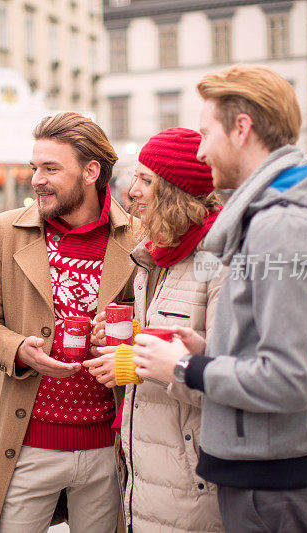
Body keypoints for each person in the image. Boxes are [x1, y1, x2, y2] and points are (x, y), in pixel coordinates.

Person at [132, 64, 307, 532]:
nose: (200, 149)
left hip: (274, 488)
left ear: (241, 128)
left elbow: (291, 379)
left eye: (205, 132)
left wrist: (184, 367)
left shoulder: (283, 224)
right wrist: (210, 354)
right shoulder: (281, 210)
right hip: (275, 476)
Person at [0, 111, 138, 532]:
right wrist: (17, 350)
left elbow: (156, 323)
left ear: (91, 172)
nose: (36, 179)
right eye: (33, 167)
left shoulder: (140, 240)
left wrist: (127, 338)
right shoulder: (0, 233)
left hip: (108, 446)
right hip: (27, 443)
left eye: (51, 168)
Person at [85, 127, 225, 531]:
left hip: (193, 480)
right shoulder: (157, 256)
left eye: (147, 180)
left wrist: (136, 360)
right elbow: (174, 338)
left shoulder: (216, 262)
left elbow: (229, 377)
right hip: (150, 470)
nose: (132, 191)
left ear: (177, 191)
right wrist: (128, 336)